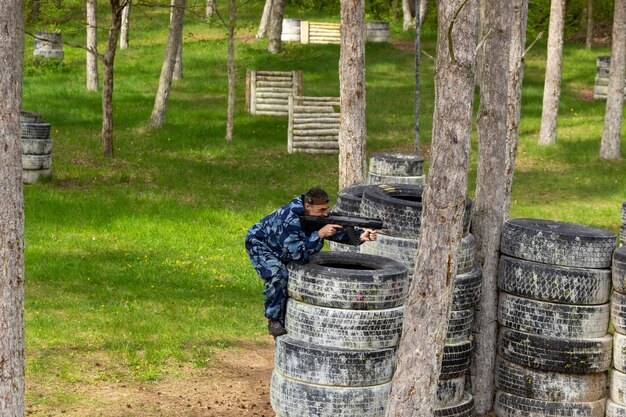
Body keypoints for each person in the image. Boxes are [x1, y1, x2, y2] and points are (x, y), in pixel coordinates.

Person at [245, 187, 377, 337]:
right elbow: (299, 256)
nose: (325, 214)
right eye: (321, 210)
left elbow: (335, 228)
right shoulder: (289, 219)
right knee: (278, 274)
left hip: (282, 245)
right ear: (307, 206)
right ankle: (274, 319)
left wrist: (360, 235)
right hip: (260, 244)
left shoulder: (313, 214)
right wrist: (319, 235)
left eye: (326, 209)